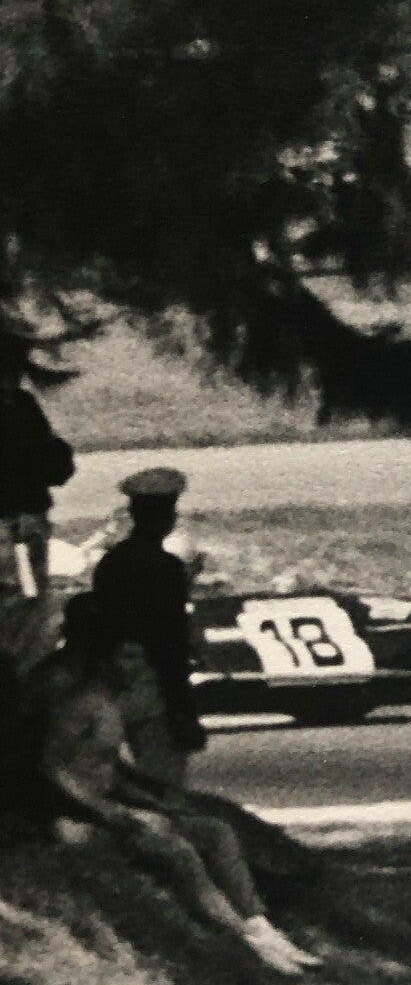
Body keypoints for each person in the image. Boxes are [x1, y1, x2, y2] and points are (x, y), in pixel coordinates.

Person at [36, 595, 319, 975]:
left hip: (109, 805)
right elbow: (52, 766)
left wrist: (150, 798)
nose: (138, 669)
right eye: (128, 659)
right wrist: (116, 813)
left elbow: (106, 767)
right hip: (74, 813)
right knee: (178, 850)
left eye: (140, 659)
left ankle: (260, 925)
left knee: (214, 830)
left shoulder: (108, 701)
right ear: (102, 657)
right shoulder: (76, 699)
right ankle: (246, 940)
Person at [91, 467, 205, 788]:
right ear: (168, 518)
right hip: (153, 683)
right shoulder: (167, 568)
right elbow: (171, 639)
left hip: (111, 680)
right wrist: (183, 710)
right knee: (163, 783)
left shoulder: (110, 563)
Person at [0, 332, 75, 605]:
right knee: (23, 594)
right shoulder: (23, 406)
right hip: (25, 509)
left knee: (20, 594)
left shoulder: (23, 405)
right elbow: (52, 461)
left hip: (25, 511)